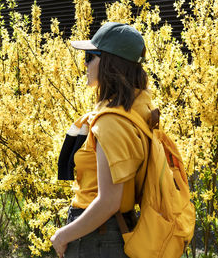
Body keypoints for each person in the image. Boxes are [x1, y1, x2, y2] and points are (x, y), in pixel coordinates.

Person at [51, 22, 153, 258]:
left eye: (90, 56)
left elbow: (109, 202)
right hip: (111, 230)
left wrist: (63, 235)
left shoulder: (112, 122)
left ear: (110, 63)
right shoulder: (137, 110)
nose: (85, 63)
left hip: (98, 237)